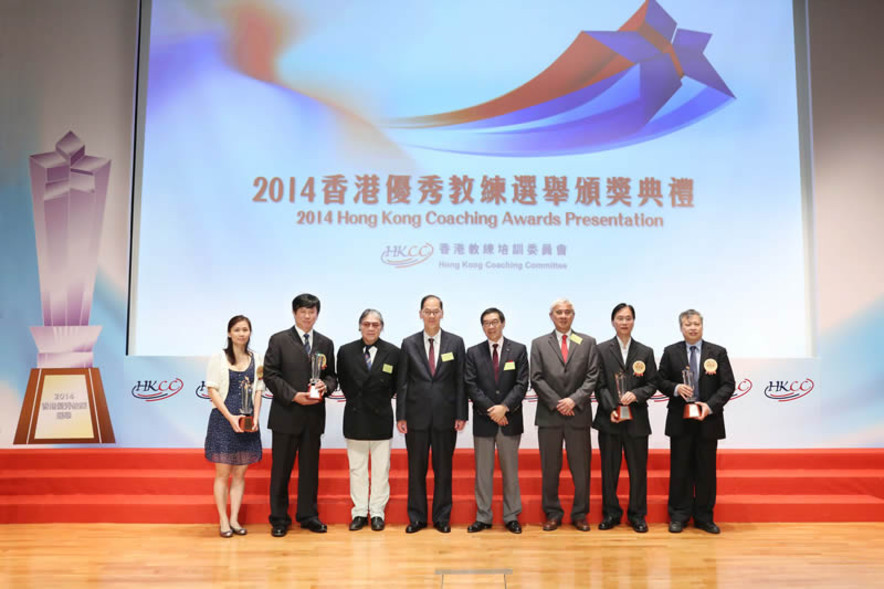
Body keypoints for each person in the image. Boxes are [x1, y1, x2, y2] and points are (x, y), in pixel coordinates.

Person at [264, 294, 337, 537]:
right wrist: (293, 395)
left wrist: (326, 386)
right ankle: (279, 518)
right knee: (281, 471)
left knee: (309, 470)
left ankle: (308, 516)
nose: (308, 316)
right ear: (294, 313)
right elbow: (271, 375)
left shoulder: (326, 343)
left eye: (312, 312)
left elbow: (332, 376)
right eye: (303, 312)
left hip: (313, 417)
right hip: (286, 414)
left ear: (318, 314)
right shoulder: (279, 340)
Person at [658, 309, 735, 534]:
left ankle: (704, 517)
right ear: (681, 328)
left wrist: (709, 406)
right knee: (680, 469)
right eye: (687, 324)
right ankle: (679, 516)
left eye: (696, 324)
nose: (692, 328)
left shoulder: (718, 352)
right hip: (680, 420)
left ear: (702, 326)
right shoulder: (671, 352)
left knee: (705, 471)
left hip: (707, 420)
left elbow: (728, 385)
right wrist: (674, 388)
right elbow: (660, 380)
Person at [396, 294, 467, 534]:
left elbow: (460, 382)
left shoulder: (456, 343)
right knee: (416, 469)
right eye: (427, 311)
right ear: (420, 314)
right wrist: (401, 415)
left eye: (436, 311)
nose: (432, 315)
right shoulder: (409, 343)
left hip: (446, 417)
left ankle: (441, 517)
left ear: (443, 313)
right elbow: (403, 382)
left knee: (443, 469)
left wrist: (461, 414)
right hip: (415, 417)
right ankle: (416, 518)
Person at [530, 298, 600, 532]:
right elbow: (536, 377)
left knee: (581, 469)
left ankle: (580, 514)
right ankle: (552, 513)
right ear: (551, 316)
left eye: (567, 312)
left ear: (573, 315)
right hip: (550, 415)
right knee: (550, 468)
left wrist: (574, 400)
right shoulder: (539, 343)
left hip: (577, 413)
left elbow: (592, 376)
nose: (563, 316)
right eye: (558, 312)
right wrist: (557, 402)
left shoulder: (588, 342)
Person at [592, 303, 658, 533]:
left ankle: (637, 515)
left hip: (637, 420)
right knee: (609, 471)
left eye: (628, 318)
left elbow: (652, 383)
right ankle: (611, 514)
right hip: (609, 419)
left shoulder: (645, 351)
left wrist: (637, 394)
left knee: (638, 471)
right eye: (620, 318)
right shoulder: (600, 350)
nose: (624, 322)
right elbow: (598, 384)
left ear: (633, 321)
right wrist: (612, 407)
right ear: (613, 321)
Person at [464, 307, 528, 534]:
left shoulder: (518, 350)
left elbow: (521, 384)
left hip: (510, 420)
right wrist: (492, 410)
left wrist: (504, 408)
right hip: (484, 419)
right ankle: (483, 516)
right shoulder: (473, 352)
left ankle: (511, 516)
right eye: (486, 323)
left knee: (510, 471)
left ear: (503, 323)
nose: (491, 327)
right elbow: (471, 385)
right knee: (483, 472)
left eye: (494, 322)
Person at [337, 309, 400, 532]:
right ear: (359, 326)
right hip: (356, 415)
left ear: (381, 326)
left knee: (382, 469)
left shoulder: (393, 352)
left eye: (375, 324)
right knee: (357, 469)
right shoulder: (345, 351)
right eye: (366, 324)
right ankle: (360, 512)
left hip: (381, 416)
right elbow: (343, 382)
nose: (371, 328)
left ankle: (377, 512)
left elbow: (395, 385)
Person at [204, 315, 264, 538]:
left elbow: (259, 390)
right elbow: (212, 390)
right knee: (222, 474)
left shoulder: (257, 358)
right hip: (224, 420)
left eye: (245, 329)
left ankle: (235, 519)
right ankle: (223, 521)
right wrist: (231, 418)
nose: (241, 333)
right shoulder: (218, 357)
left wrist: (255, 417)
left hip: (248, 423)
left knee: (240, 475)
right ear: (229, 333)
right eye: (237, 330)